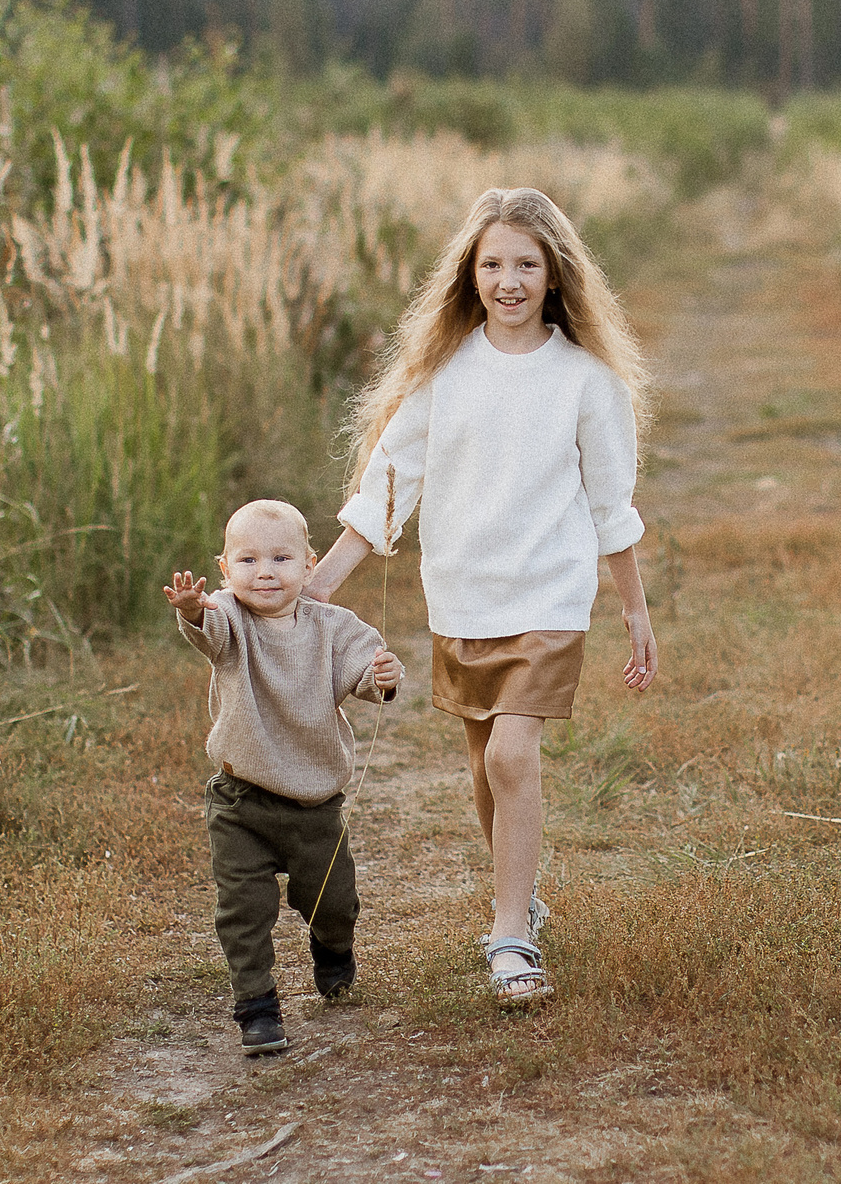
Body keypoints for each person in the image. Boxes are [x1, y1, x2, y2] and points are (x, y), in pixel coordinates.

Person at [302, 186, 657, 1007]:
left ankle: (509, 935)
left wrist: (633, 606)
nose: (508, 279)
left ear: (555, 275)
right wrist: (318, 585)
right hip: (463, 594)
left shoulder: (585, 379)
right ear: (470, 272)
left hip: (549, 594)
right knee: (481, 767)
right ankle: (518, 892)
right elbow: (389, 485)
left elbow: (610, 503)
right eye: (492, 262)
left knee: (510, 753)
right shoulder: (445, 373)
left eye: (526, 264)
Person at [164, 498, 404, 1056]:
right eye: (247, 560)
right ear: (224, 570)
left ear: (309, 565)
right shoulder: (228, 618)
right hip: (240, 801)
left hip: (314, 807)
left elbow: (370, 674)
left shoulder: (334, 627)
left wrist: (384, 676)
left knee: (334, 901)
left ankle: (333, 948)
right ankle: (257, 1008)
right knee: (244, 910)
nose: (265, 572)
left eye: (280, 558)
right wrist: (193, 610)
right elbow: (209, 633)